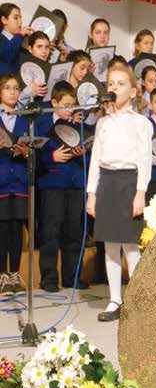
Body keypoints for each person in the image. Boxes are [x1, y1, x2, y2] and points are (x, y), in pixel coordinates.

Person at [86, 66, 152, 322]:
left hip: (129, 182)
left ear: (133, 91)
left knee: (130, 244)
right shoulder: (102, 122)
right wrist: (92, 193)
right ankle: (115, 299)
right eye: (110, 83)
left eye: (120, 83)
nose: (114, 88)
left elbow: (144, 160)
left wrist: (140, 193)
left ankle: (135, 299)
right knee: (110, 244)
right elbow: (95, 161)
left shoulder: (140, 123)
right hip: (107, 184)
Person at [36, 81, 89, 292]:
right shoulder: (42, 124)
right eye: (65, 105)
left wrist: (83, 151)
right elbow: (34, 154)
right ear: (54, 102)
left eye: (72, 105)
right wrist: (51, 156)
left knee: (73, 232)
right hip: (53, 184)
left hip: (75, 183)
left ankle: (72, 277)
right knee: (51, 231)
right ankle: (49, 278)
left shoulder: (77, 126)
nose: (69, 109)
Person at [0, 74, 29, 296]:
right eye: (7, 88)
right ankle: (2, 276)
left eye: (16, 88)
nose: (12, 92)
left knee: (17, 229)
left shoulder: (25, 118)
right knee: (2, 229)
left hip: (19, 180)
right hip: (1, 180)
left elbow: (33, 150)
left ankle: (15, 274)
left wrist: (26, 152)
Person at [18, 31, 51, 106]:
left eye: (47, 47)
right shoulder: (18, 63)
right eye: (39, 47)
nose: (44, 51)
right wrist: (28, 92)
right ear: (30, 48)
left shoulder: (52, 69)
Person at [0, 3, 32, 76]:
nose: (20, 22)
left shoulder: (21, 42)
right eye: (16, 18)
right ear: (4, 20)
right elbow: (7, 56)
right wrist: (20, 35)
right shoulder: (3, 39)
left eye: (20, 18)